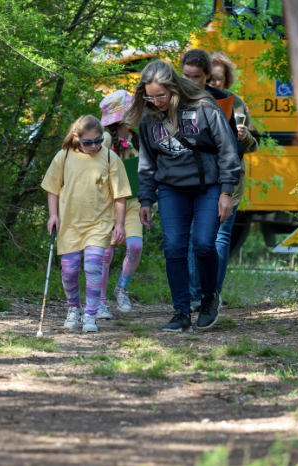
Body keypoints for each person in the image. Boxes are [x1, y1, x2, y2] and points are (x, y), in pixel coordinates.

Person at [124, 60, 243, 333]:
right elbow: (147, 162)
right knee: (175, 248)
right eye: (149, 96)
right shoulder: (148, 117)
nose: (155, 101)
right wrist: (145, 199)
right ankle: (180, 313)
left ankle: (209, 299)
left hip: (208, 187)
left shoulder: (203, 107)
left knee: (203, 244)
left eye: (160, 96)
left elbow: (227, 151)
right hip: (171, 189)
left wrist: (226, 192)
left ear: (174, 88)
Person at [181, 49, 258, 312]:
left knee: (220, 237)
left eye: (218, 80)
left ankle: (213, 292)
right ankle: (193, 293)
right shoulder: (184, 100)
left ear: (226, 81)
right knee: (195, 236)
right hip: (196, 179)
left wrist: (244, 135)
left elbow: (253, 145)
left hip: (230, 180)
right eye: (210, 79)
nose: (213, 84)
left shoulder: (235, 103)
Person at [41, 115, 132, 333]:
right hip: (70, 224)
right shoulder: (63, 157)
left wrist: (120, 225)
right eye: (88, 141)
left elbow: (120, 195)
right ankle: (74, 308)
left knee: (93, 267)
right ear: (76, 138)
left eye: (98, 140)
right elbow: (52, 188)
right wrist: (53, 215)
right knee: (69, 271)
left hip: (99, 224)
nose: (94, 145)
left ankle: (90, 315)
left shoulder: (110, 158)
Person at [97, 90, 143, 317]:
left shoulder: (136, 141)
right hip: (107, 206)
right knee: (106, 253)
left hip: (132, 204)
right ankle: (100, 301)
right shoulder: (105, 140)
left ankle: (121, 288)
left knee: (135, 246)